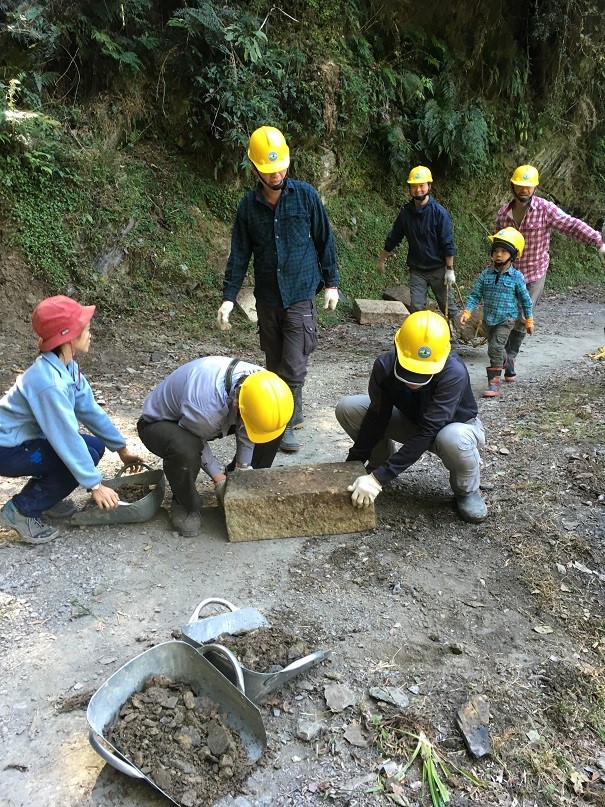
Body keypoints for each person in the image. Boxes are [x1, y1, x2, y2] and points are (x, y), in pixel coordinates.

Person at [216, 125, 339, 454]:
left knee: (294, 365)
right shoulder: (247, 208)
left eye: (281, 167)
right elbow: (240, 254)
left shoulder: (306, 196)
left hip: (301, 293)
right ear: (254, 168)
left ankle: (285, 423)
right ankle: (278, 409)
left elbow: (325, 239)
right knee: (274, 363)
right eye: (269, 170)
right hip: (268, 299)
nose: (277, 174)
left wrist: (331, 283)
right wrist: (229, 297)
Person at [0, 295, 145, 545]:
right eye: (85, 328)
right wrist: (95, 485)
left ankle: (45, 496)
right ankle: (21, 510)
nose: (89, 333)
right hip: (6, 449)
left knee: (95, 448)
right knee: (77, 460)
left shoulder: (67, 367)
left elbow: (89, 409)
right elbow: (65, 437)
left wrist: (121, 449)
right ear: (68, 336)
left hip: (24, 442)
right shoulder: (49, 384)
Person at [336, 310, 487, 524]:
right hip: (412, 422)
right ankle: (378, 462)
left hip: (453, 429)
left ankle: (466, 490)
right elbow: (377, 416)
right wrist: (353, 464)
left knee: (454, 438)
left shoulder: (454, 373)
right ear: (398, 348)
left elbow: (429, 430)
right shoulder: (384, 366)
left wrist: (379, 479)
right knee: (349, 407)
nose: (414, 382)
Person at [137, 357, 293, 537]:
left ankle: (242, 486)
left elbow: (250, 424)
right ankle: (184, 503)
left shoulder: (261, 384)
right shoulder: (205, 408)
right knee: (186, 449)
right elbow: (198, 442)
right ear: (236, 406)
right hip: (160, 424)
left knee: (271, 426)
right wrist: (219, 480)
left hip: (216, 412)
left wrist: (242, 470)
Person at [496, 164, 605, 372]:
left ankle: (510, 357)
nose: (524, 191)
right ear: (513, 186)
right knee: (502, 314)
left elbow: (570, 224)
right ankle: (500, 352)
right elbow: (498, 246)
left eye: (528, 187)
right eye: (520, 186)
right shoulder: (503, 215)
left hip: (535, 271)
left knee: (521, 317)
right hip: (510, 273)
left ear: (535, 188)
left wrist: (598, 241)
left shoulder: (545, 209)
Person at [376, 165, 459, 327]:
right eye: (414, 186)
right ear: (409, 189)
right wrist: (381, 259)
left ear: (429, 186)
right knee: (416, 309)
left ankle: (457, 337)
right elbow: (394, 237)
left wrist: (450, 269)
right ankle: (421, 340)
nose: (418, 190)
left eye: (421, 186)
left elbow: (447, 242)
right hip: (417, 270)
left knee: (448, 308)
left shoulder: (439, 213)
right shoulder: (406, 213)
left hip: (438, 269)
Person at [460, 228, 533, 397]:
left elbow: (526, 300)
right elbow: (475, 295)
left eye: (504, 251)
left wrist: (529, 320)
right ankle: (508, 365)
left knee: (494, 348)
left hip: (506, 320)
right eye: (496, 251)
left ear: (513, 255)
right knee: (498, 349)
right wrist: (467, 312)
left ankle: (493, 384)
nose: (499, 255)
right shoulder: (486, 275)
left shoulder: (516, 277)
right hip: (489, 320)